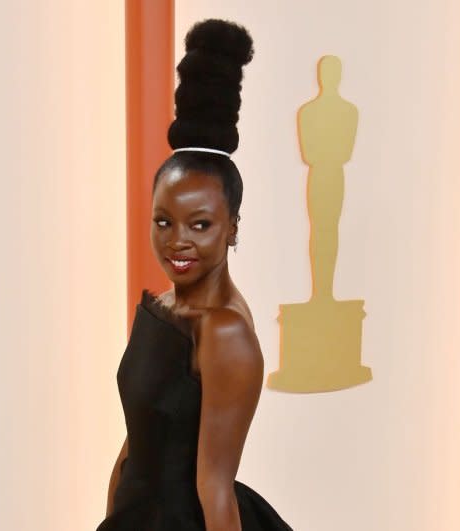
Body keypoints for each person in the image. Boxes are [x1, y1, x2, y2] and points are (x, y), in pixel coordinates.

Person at [96, 19, 292, 531]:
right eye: (164, 221)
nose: (177, 240)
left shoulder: (225, 332)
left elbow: (215, 489)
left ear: (232, 228)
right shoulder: (163, 309)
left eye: (200, 224)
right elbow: (133, 447)